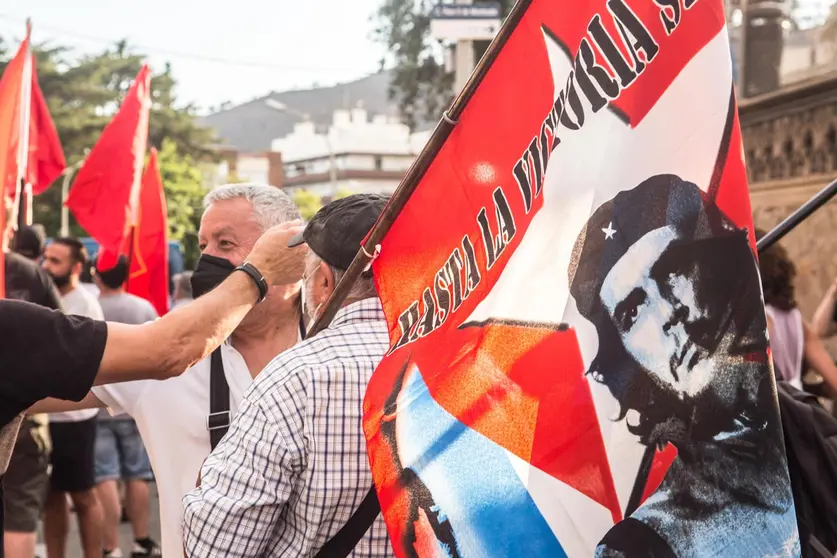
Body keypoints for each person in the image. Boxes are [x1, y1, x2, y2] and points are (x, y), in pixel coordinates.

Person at [33, 184, 305, 558]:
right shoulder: (160, 354)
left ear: (287, 252)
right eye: (204, 244)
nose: (207, 257)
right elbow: (34, 383)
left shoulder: (335, 350)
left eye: (225, 244)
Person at [565, 176, 797, 556]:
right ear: (624, 357)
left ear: (712, 267)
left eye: (672, 270)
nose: (668, 313)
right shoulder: (642, 547)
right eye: (634, 310)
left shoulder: (799, 427)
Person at [182, 194, 394, 558]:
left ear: (324, 282)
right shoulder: (472, 361)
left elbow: (216, 550)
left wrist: (209, 486)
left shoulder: (295, 379)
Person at [40, 238, 105, 558]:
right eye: (46, 259)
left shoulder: (86, 305)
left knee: (82, 496)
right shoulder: (44, 296)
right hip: (45, 417)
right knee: (52, 496)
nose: (46, 266)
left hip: (74, 420)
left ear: (76, 267)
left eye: (56, 261)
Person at [91, 258, 159, 558]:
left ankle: (110, 546)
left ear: (96, 276)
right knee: (137, 473)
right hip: (136, 400)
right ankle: (142, 540)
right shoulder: (142, 308)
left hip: (94, 400)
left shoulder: (88, 307)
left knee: (105, 475)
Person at [4, 225, 63, 558]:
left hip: (24, 410)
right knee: (20, 512)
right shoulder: (34, 276)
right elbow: (64, 337)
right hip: (25, 409)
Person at [757, 231, 837, 393]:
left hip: (772, 414)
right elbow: (833, 380)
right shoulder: (795, 319)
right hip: (797, 411)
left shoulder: (755, 324)